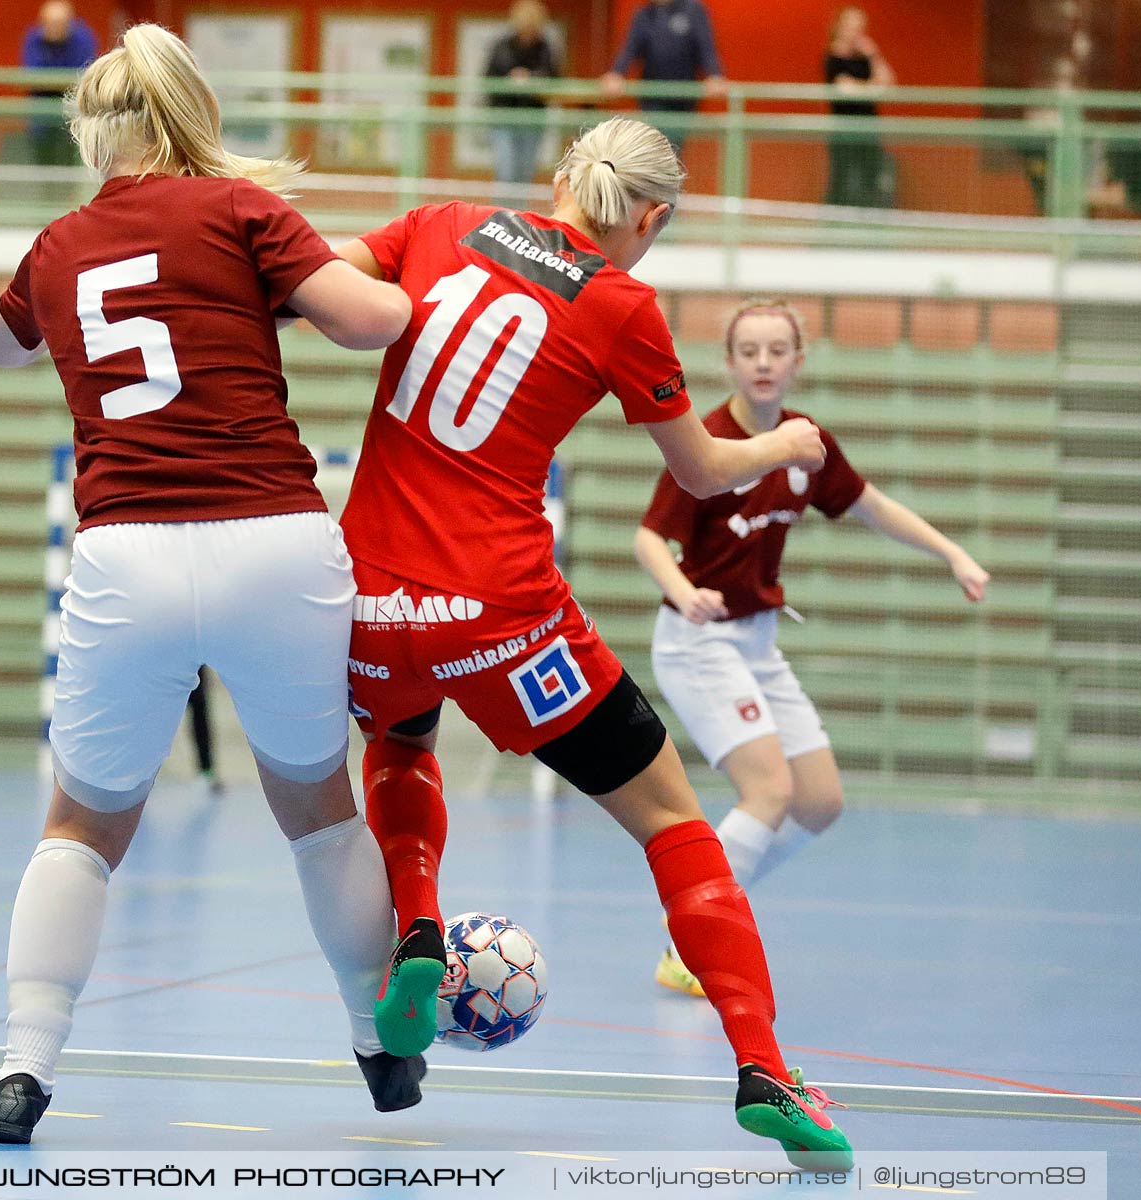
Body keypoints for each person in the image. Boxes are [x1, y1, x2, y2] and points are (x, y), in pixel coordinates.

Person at [333, 117, 853, 1168]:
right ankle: (763, 1069)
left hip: (371, 601)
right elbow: (704, 470)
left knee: (399, 744)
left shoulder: (443, 222)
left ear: (561, 175)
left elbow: (315, 277)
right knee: (673, 823)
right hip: (506, 616)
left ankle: (420, 931)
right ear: (650, 217)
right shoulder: (621, 304)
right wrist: (787, 443)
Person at [0, 24, 416, 1145]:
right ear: (188, 114)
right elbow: (374, 326)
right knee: (318, 808)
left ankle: (21, 1071)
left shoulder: (59, 245)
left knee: (83, 823)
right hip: (273, 540)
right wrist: (311, 286)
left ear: (95, 132)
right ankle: (378, 1047)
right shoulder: (241, 213)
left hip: (130, 551)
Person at [634, 299, 989, 997]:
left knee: (819, 802)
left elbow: (871, 505)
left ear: (798, 361)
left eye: (777, 350)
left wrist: (953, 554)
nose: (764, 363)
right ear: (729, 363)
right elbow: (648, 539)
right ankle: (692, 941)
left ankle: (712, 899)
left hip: (758, 641)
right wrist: (682, 589)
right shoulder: (706, 439)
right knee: (768, 791)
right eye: (750, 351)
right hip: (697, 641)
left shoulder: (805, 440)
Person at [601, 0, 727, 154]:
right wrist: (616, 73)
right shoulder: (644, 14)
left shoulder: (694, 10)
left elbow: (707, 48)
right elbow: (629, 49)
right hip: (652, 98)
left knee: (673, 148)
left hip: (684, 98)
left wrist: (715, 75)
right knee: (655, 147)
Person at [482, 0, 561, 197]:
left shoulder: (545, 48)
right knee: (506, 171)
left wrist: (531, 79)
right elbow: (489, 78)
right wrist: (511, 80)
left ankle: (518, 217)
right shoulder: (502, 46)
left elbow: (554, 77)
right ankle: (502, 216)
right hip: (503, 117)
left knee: (524, 173)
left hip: (533, 118)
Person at [822, 6, 895, 207]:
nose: (854, 31)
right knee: (842, 181)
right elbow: (846, 88)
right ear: (839, 26)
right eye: (850, 26)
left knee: (872, 179)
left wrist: (873, 54)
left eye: (859, 27)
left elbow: (888, 81)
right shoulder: (832, 58)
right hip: (843, 130)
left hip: (869, 129)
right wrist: (872, 87)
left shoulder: (865, 58)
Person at [20, 1, 99, 170]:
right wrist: (62, 82)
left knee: (71, 165)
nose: (53, 28)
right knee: (44, 166)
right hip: (42, 115)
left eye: (59, 24)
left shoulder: (83, 38)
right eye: (49, 24)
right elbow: (32, 77)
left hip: (75, 111)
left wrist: (52, 82)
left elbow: (85, 76)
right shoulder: (33, 39)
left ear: (69, 23)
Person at [186, 665, 222, 791]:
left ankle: (207, 771)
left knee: (199, 708)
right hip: (165, 656)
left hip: (194, 658)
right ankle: (146, 775)